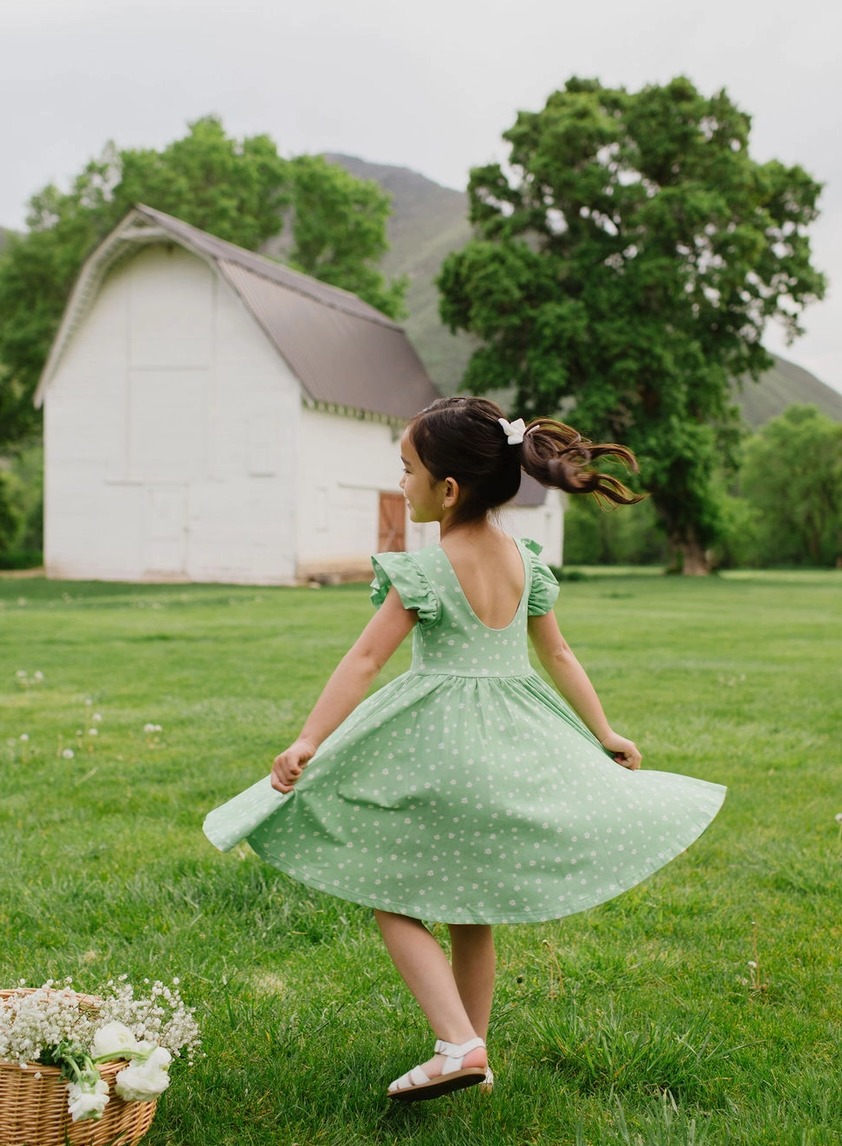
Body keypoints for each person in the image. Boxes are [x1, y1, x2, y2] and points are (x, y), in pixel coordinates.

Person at [203, 396, 726, 1102]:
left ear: (448, 489)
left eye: (407, 470)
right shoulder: (523, 561)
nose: (401, 485)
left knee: (390, 892)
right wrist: (604, 732)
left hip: (439, 744)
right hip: (512, 741)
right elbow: (560, 654)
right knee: (470, 910)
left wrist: (308, 738)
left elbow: (364, 662)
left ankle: (457, 1045)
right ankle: (472, 1053)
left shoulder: (426, 568)